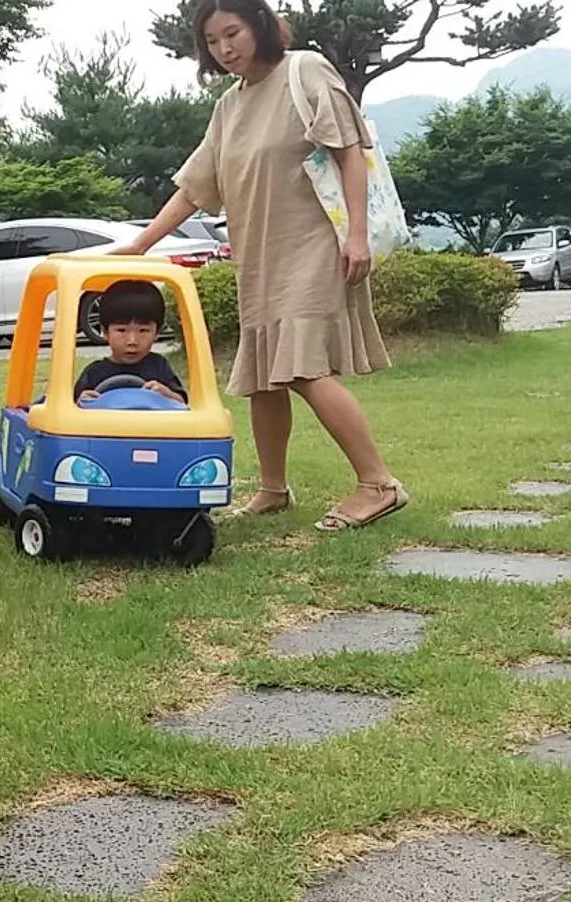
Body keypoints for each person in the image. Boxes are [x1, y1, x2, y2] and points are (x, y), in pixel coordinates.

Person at [115, 0, 408, 532]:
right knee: (262, 378)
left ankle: (378, 484)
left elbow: (350, 153)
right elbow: (194, 189)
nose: (224, 49)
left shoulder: (306, 70)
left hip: (316, 246)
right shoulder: (229, 106)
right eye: (212, 40)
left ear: (262, 27)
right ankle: (273, 488)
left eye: (233, 33)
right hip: (259, 256)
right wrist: (140, 245)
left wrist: (358, 236)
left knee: (302, 368)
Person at [74, 280, 187, 404]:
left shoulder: (159, 367)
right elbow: (72, 410)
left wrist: (166, 394)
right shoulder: (94, 373)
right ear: (105, 332)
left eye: (143, 330)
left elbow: (182, 404)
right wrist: (82, 402)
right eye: (122, 330)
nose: (132, 341)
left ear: (157, 333)